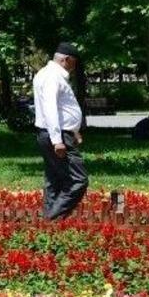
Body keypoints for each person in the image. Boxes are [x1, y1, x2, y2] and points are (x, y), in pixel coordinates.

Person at [33, 42, 89, 220]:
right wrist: (57, 140)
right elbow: (50, 109)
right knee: (78, 179)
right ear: (66, 59)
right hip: (57, 136)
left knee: (54, 179)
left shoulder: (45, 73)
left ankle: (49, 221)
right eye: (74, 62)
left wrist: (74, 131)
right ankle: (52, 220)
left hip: (54, 133)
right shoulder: (52, 76)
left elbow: (61, 109)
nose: (74, 67)